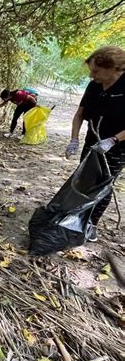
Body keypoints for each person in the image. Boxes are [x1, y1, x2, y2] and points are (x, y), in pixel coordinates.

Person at [65, 46, 125, 242]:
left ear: (114, 68)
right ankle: (78, 216)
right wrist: (74, 139)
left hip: (118, 146)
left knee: (103, 185)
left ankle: (91, 223)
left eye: (96, 71)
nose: (92, 75)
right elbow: (80, 114)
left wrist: (113, 140)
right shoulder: (93, 86)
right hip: (93, 142)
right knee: (84, 180)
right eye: (91, 71)